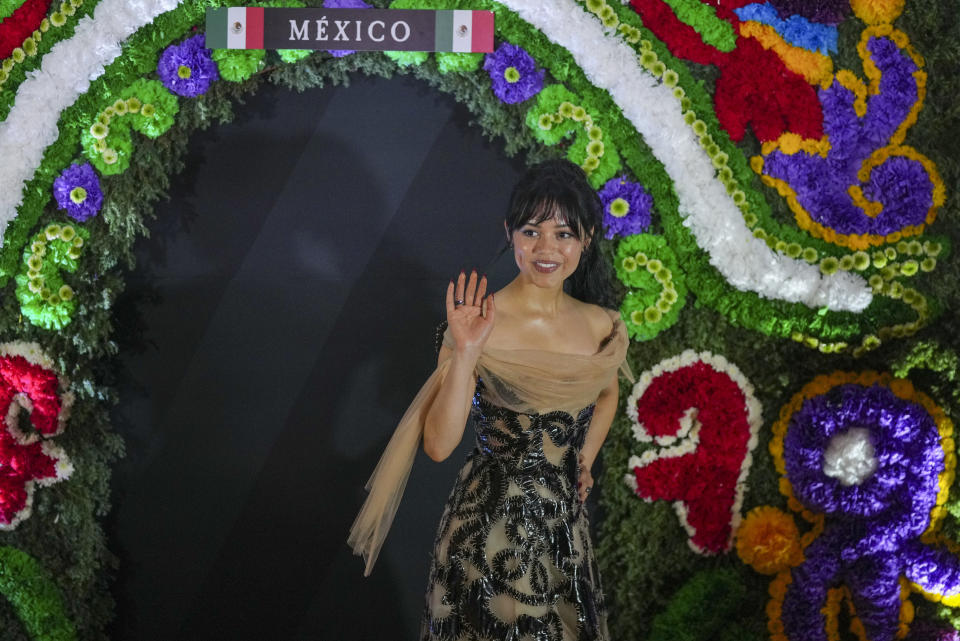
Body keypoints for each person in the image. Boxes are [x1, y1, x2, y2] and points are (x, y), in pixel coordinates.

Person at [349, 159, 632, 641]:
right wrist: (466, 353)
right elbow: (438, 445)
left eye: (563, 233)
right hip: (487, 530)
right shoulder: (477, 319)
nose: (547, 248)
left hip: (563, 532)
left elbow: (608, 392)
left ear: (586, 238)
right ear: (510, 233)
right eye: (531, 231)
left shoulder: (604, 325)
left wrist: (581, 460)